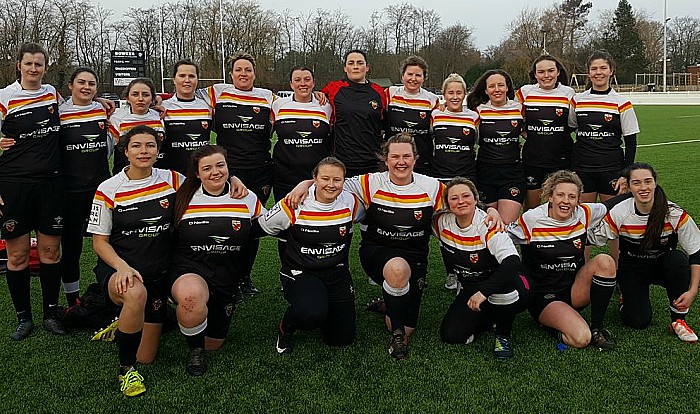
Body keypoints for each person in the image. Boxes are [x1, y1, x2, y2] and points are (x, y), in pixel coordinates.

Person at [88, 125, 180, 396]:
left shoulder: (172, 179)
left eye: (150, 146)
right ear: (125, 151)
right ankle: (126, 371)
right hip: (121, 268)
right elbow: (99, 242)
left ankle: (125, 321)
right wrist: (121, 266)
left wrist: (234, 181)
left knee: (147, 356)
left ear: (157, 151)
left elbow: (210, 181)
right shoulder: (109, 188)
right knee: (135, 293)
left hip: (159, 273)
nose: (144, 151)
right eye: (137, 146)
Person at [170, 145, 263, 376]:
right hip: (189, 268)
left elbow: (267, 224)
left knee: (214, 343)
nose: (215, 172)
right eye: (207, 168)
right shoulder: (181, 195)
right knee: (191, 300)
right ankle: (194, 350)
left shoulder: (246, 196)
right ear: (197, 174)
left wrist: (306, 186)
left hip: (226, 275)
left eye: (220, 165)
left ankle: (170, 319)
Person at [259, 157, 364, 354]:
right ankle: (286, 328)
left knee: (342, 339)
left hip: (337, 272)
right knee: (311, 312)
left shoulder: (351, 202)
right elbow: (265, 226)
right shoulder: (295, 202)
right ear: (314, 179)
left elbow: (365, 217)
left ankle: (326, 312)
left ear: (344, 181)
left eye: (337, 180)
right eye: (325, 178)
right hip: (301, 272)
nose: (331, 185)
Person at [0, 42, 67, 340]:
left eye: (39, 64)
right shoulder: (4, 98)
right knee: (17, 257)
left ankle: (51, 314)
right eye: (29, 64)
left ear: (46, 67)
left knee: (51, 251)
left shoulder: (52, 93)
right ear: (19, 65)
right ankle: (23, 318)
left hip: (51, 185)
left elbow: (77, 106)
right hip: (14, 186)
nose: (34, 69)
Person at [508, 170, 618, 350]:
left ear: (578, 200)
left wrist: (633, 189)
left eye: (572, 197)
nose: (566, 201)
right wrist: (491, 214)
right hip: (545, 296)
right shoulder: (532, 219)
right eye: (560, 195)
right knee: (581, 339)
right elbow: (501, 238)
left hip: (575, 290)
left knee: (605, 261)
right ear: (550, 196)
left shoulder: (584, 213)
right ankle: (551, 324)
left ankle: (598, 327)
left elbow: (611, 204)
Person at [590, 163, 700, 342]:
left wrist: (693, 290)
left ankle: (678, 321)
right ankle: (626, 295)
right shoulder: (620, 212)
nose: (643, 188)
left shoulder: (673, 213)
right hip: (632, 266)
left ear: (655, 183)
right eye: (637, 183)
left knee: (678, 260)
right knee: (638, 321)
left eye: (648, 181)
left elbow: (696, 252)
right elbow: (594, 239)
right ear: (629, 187)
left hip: (662, 264)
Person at [201, 53, 275, 295]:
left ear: (255, 73)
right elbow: (184, 97)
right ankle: (223, 277)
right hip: (227, 172)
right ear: (231, 74)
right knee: (226, 224)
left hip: (261, 170)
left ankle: (244, 277)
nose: (243, 73)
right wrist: (158, 100)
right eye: (239, 70)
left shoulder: (268, 97)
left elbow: (297, 104)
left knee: (252, 225)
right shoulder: (217, 92)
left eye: (248, 70)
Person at [435, 177, 529, 359]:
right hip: (472, 286)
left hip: (511, 284)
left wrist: (483, 293)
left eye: (466, 196)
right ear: (447, 204)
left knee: (504, 290)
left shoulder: (488, 224)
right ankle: (487, 318)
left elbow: (512, 262)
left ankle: (503, 335)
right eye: (454, 198)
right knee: (452, 336)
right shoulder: (440, 223)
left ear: (476, 199)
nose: (461, 201)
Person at [59, 67, 111, 306]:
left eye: (92, 83)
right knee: (72, 247)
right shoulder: (59, 113)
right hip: (70, 191)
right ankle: (73, 301)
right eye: (81, 82)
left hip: (101, 191)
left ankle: (112, 293)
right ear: (70, 85)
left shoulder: (103, 111)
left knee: (110, 243)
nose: (86, 87)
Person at [515, 55, 576, 210]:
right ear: (535, 74)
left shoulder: (568, 93)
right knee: (531, 210)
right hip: (533, 160)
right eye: (541, 72)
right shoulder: (525, 92)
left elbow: (572, 123)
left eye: (550, 71)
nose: (546, 75)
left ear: (558, 72)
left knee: (561, 206)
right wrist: (523, 131)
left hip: (561, 159)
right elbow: (512, 115)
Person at [467, 69, 524, 224]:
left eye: (501, 85)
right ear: (485, 90)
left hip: (512, 174)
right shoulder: (477, 112)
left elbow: (529, 133)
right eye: (492, 86)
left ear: (507, 88)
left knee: (506, 225)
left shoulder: (519, 109)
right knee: (489, 224)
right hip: (486, 173)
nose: (497, 89)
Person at [321, 49, 388, 177]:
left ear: (367, 67)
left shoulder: (378, 92)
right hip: (342, 163)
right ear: (345, 68)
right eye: (351, 63)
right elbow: (314, 97)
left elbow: (384, 122)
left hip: (372, 163)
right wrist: (317, 94)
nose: (355, 67)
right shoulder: (334, 88)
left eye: (360, 63)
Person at [271, 66, 332, 202]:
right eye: (297, 80)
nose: (303, 83)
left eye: (307, 79)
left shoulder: (326, 106)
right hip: (284, 177)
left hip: (316, 178)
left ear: (313, 83)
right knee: (287, 220)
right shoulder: (278, 105)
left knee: (312, 220)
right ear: (291, 84)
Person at [385, 56, 439, 175]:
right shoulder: (390, 93)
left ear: (424, 78)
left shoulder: (432, 100)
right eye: (409, 74)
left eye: (418, 75)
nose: (413, 79)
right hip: (394, 161)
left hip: (422, 161)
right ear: (402, 75)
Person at [161, 59, 212, 174]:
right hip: (173, 174)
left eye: (192, 76)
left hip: (201, 175)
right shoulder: (164, 107)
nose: (187, 80)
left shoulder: (207, 107)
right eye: (182, 76)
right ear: (174, 79)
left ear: (197, 80)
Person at [110, 77, 165, 175]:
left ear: (152, 98)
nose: (140, 99)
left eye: (145, 95)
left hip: (157, 177)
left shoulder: (159, 116)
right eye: (135, 94)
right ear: (127, 98)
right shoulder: (116, 119)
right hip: (126, 178)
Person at [431, 73, 479, 184]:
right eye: (450, 93)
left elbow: (478, 141)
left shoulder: (474, 116)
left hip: (466, 176)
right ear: (444, 95)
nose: (455, 97)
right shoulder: (435, 115)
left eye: (459, 93)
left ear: (464, 94)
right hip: (439, 175)